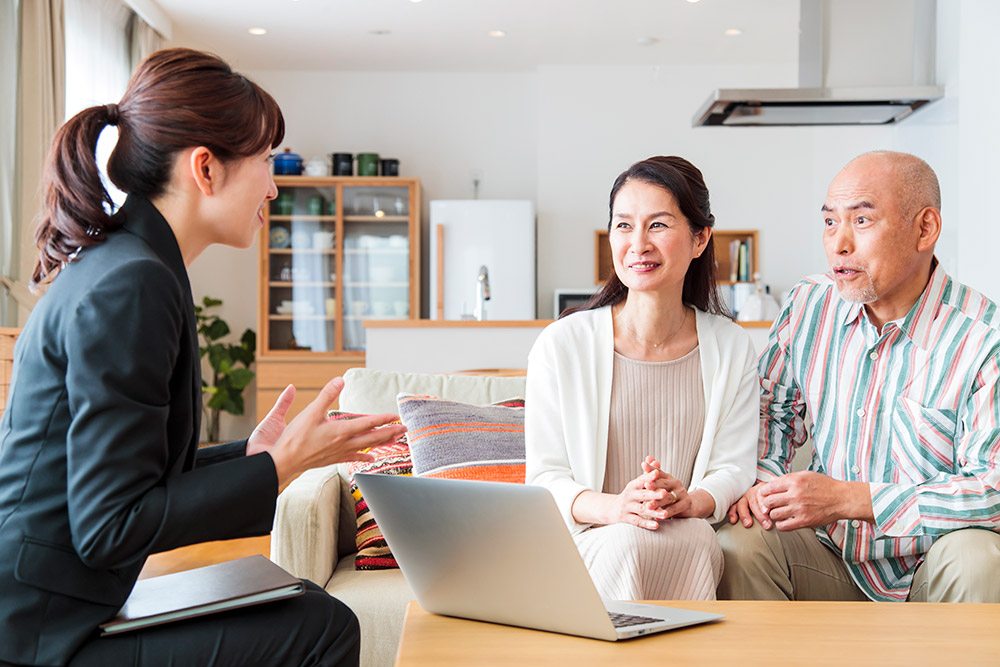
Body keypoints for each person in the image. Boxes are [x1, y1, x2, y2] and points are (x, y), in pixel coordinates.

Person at [0, 48, 406, 667]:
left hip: (49, 607)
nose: (273, 185)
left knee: (304, 609)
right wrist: (282, 465)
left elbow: (127, 474)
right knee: (321, 626)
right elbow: (110, 525)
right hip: (41, 632)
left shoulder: (129, 264)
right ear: (206, 169)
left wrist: (252, 456)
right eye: (266, 162)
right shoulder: (133, 283)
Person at [718, 150, 1000, 603]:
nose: (838, 244)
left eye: (862, 221)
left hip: (929, 569)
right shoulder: (809, 305)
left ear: (925, 228)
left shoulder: (984, 339)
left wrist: (855, 500)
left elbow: (993, 490)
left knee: (977, 557)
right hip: (827, 556)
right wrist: (763, 485)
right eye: (830, 222)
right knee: (740, 540)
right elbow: (771, 413)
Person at [525, 156, 759, 601]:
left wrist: (691, 500)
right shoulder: (562, 344)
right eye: (624, 225)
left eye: (658, 225)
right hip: (588, 539)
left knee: (690, 537)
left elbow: (734, 466)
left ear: (699, 238)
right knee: (631, 540)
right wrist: (616, 508)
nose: (638, 244)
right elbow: (545, 478)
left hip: (686, 532)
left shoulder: (732, 347)